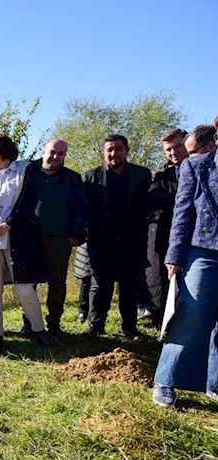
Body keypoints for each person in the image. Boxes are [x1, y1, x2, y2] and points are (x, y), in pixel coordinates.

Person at [152, 117, 218, 407]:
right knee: (191, 312)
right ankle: (167, 378)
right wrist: (174, 256)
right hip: (202, 250)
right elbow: (182, 214)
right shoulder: (196, 165)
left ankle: (214, 383)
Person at [0, 134, 54, 352]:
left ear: (1, 153)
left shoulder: (26, 171)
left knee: (25, 288)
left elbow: (29, 202)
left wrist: (9, 224)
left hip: (20, 239)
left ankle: (39, 330)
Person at [82, 135, 151, 339]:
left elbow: (148, 206)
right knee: (99, 285)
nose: (114, 153)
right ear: (104, 153)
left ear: (127, 150)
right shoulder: (89, 177)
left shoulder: (142, 175)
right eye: (109, 150)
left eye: (118, 149)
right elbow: (83, 209)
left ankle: (129, 327)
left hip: (132, 240)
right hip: (100, 241)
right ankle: (95, 326)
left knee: (129, 285)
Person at [20, 139, 87, 335]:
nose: (55, 157)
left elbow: (82, 208)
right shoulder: (27, 172)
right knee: (28, 283)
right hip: (29, 238)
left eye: (60, 154)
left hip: (59, 239)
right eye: (52, 152)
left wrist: (75, 232)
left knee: (57, 283)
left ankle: (54, 324)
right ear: (44, 151)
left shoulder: (72, 178)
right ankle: (30, 323)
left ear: (65, 156)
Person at [143, 129, 189, 326]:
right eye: (168, 149)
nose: (173, 152)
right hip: (166, 238)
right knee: (162, 282)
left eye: (177, 146)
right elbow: (150, 203)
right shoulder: (162, 177)